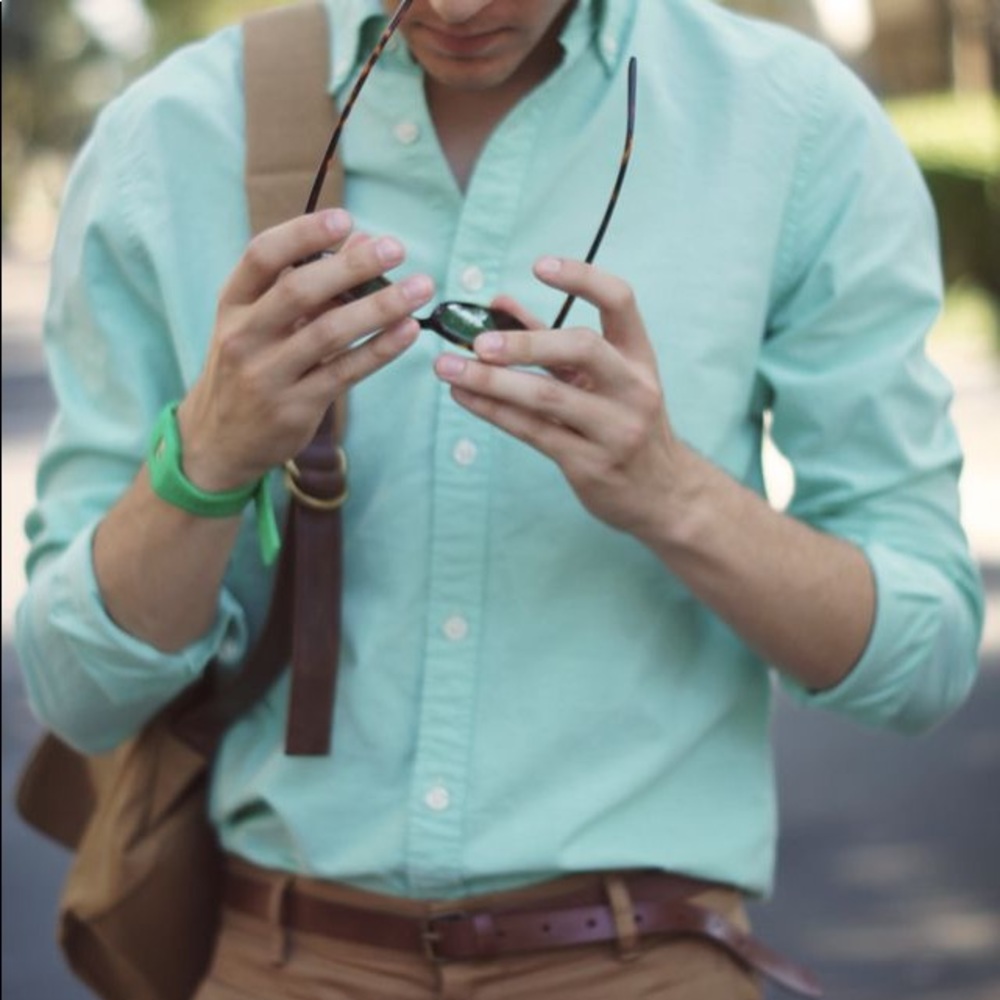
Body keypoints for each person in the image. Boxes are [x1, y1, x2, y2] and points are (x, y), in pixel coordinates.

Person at [15, 0, 985, 998]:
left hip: (648, 963)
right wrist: (206, 460)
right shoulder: (169, 135)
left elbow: (922, 660)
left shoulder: (794, 123)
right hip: (280, 960)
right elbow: (75, 690)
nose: (461, 6)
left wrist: (673, 494)